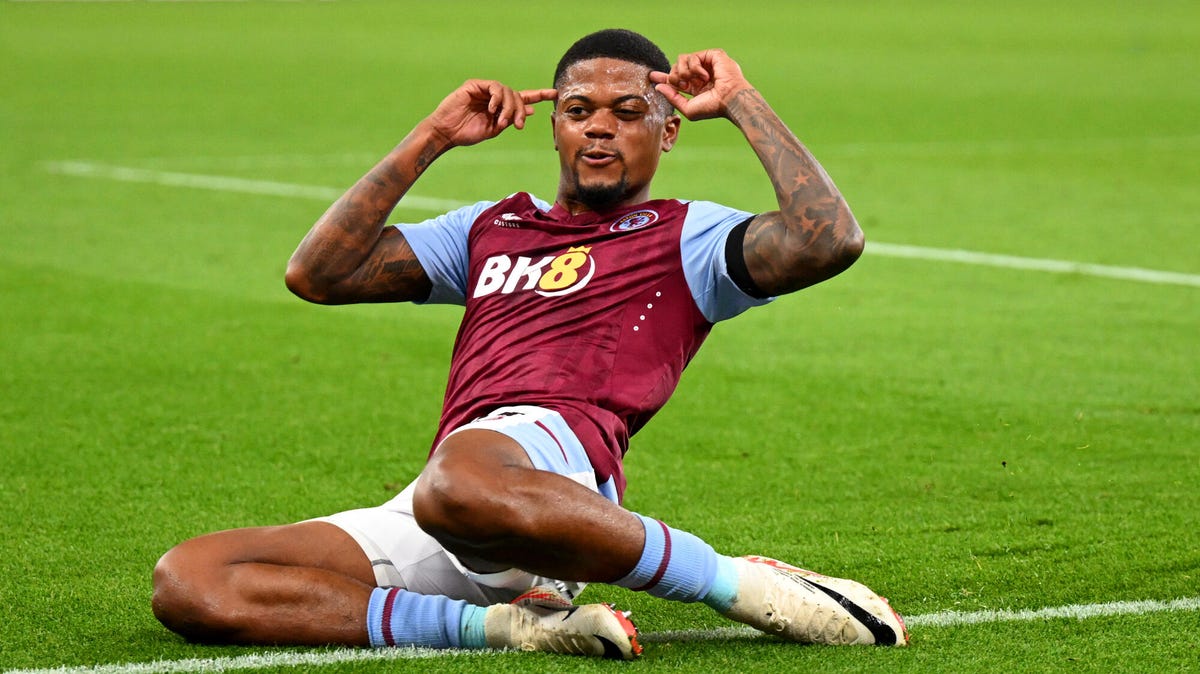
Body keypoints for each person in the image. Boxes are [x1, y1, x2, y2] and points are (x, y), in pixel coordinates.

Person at [151, 28, 908, 659]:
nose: (599, 126)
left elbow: (829, 238)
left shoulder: (687, 235)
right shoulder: (490, 228)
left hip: (556, 466)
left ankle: (737, 584)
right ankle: (507, 625)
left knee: (454, 480)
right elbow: (318, 273)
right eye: (578, 109)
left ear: (669, 127)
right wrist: (434, 137)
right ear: (555, 126)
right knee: (192, 579)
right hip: (463, 495)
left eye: (627, 111)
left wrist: (740, 99)